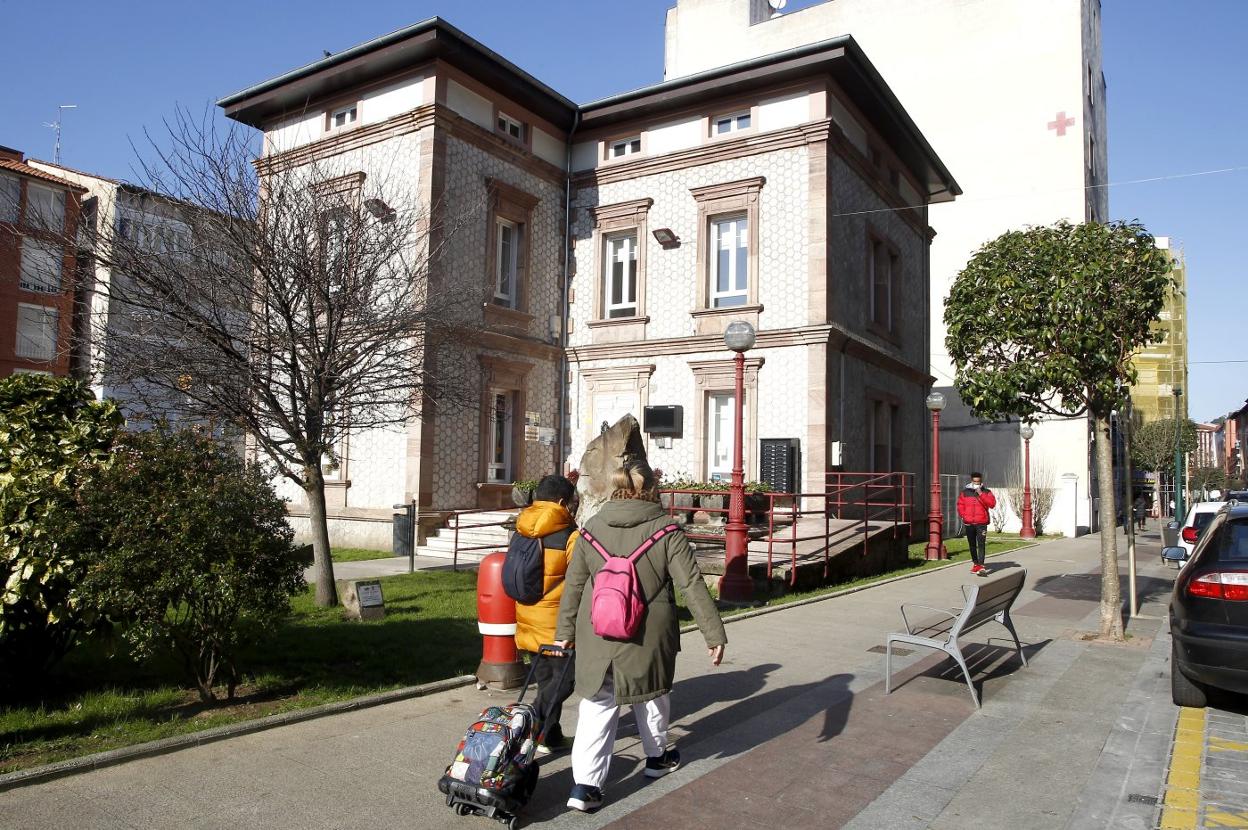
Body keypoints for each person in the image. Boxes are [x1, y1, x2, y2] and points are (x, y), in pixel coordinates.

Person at [554, 462, 726, 813]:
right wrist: (713, 633)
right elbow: (690, 584)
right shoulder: (667, 531)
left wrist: (564, 633)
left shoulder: (590, 528)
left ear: (614, 488)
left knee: (597, 704)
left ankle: (585, 788)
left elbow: (573, 585)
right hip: (647, 633)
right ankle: (657, 757)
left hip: (597, 631)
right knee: (651, 695)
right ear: (652, 489)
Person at [513, 474, 580, 755]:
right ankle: (525, 725)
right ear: (563, 502)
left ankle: (550, 735)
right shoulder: (569, 535)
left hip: (527, 621)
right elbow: (580, 581)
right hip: (558, 626)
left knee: (545, 682)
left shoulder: (520, 529)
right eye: (573, 503)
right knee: (564, 682)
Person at [956, 471, 996, 576]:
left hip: (981, 522)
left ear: (981, 481)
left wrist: (981, 494)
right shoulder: (965, 492)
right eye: (974, 481)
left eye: (978, 482)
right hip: (969, 522)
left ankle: (981, 566)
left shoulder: (987, 492)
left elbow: (991, 504)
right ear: (971, 481)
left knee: (981, 544)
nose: (976, 483)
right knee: (972, 545)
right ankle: (975, 564)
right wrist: (963, 515)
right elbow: (960, 504)